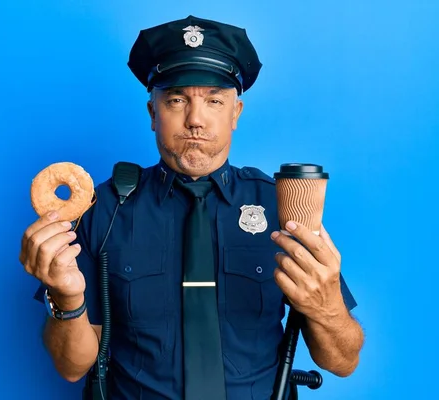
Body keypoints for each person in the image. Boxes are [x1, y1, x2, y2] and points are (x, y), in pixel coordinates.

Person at [20, 15, 365, 400]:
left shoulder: (281, 206)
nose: (195, 120)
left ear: (235, 114)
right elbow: (73, 367)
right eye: (177, 99)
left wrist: (327, 303)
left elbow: (342, 362)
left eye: (214, 100)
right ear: (153, 114)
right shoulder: (105, 210)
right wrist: (65, 299)